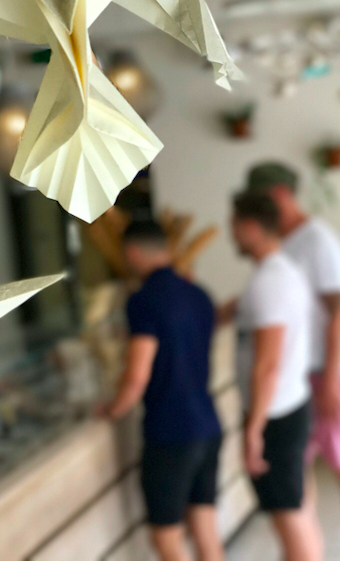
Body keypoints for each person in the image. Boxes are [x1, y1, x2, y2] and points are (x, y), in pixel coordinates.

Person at [100, 220, 223, 561]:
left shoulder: (143, 301)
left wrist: (113, 409)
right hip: (208, 424)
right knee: (205, 530)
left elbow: (137, 375)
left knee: (167, 537)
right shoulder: (199, 294)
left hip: (170, 433)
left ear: (132, 252)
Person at [248, 162, 340, 522]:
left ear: (280, 194)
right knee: (298, 471)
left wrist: (332, 380)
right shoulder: (284, 243)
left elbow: (338, 314)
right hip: (301, 375)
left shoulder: (317, 241)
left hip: (326, 372)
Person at [226, 192, 320, 561]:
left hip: (275, 416)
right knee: (299, 511)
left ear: (251, 227)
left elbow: (267, 366)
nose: (232, 235)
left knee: (290, 518)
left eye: (235, 227)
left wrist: (254, 430)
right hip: (289, 406)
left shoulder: (270, 282)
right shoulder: (281, 273)